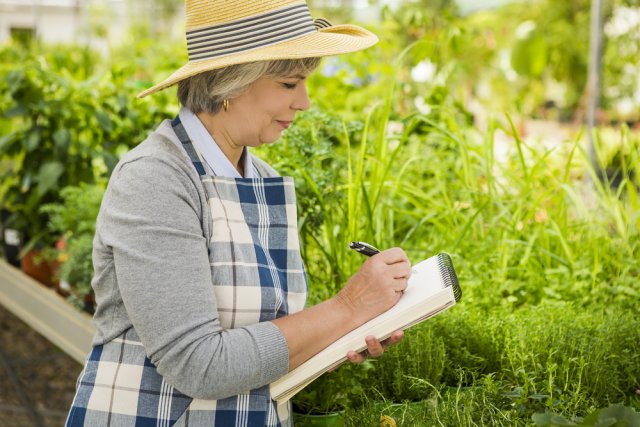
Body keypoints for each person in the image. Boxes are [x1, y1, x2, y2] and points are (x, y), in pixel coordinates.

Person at [65, 0, 411, 425]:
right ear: (231, 83)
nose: (304, 102)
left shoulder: (258, 174)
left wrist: (340, 335)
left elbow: (263, 341)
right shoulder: (155, 179)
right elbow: (200, 365)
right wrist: (347, 307)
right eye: (289, 84)